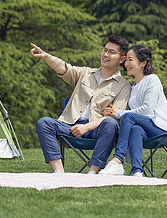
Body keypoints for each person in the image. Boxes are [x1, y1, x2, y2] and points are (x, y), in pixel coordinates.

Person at [32, 36, 131, 174]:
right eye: (105, 50)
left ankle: (93, 172)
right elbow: (64, 68)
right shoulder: (86, 73)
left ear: (122, 59)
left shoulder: (123, 86)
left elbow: (115, 117)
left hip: (95, 130)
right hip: (69, 126)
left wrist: (86, 127)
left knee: (111, 124)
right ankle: (59, 172)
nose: (106, 55)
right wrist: (45, 56)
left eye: (112, 52)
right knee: (44, 123)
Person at [99, 44, 167, 177]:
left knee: (129, 117)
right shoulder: (133, 87)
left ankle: (117, 160)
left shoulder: (152, 80)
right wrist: (112, 112)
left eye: (130, 59)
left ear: (143, 63)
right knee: (135, 129)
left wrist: (120, 113)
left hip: (161, 127)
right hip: (145, 129)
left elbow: (147, 111)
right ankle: (137, 171)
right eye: (126, 60)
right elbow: (131, 116)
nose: (126, 63)